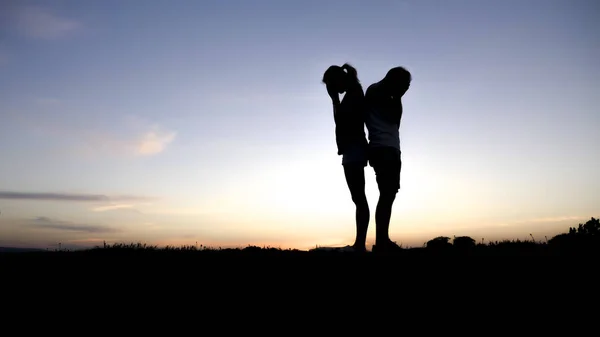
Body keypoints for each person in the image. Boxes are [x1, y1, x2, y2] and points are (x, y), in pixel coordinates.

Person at [321, 63, 369, 253]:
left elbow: (340, 121)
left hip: (355, 148)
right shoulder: (353, 92)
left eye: (331, 85)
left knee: (359, 198)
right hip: (352, 148)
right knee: (357, 197)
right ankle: (359, 244)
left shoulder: (354, 93)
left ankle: (360, 245)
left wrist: (334, 100)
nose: (333, 90)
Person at [365, 66, 412, 253]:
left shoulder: (378, 92)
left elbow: (396, 123)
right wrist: (398, 97)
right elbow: (395, 118)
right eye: (405, 85)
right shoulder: (381, 93)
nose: (406, 89)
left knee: (388, 195)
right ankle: (382, 242)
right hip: (385, 148)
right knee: (387, 195)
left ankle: (383, 240)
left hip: (385, 148)